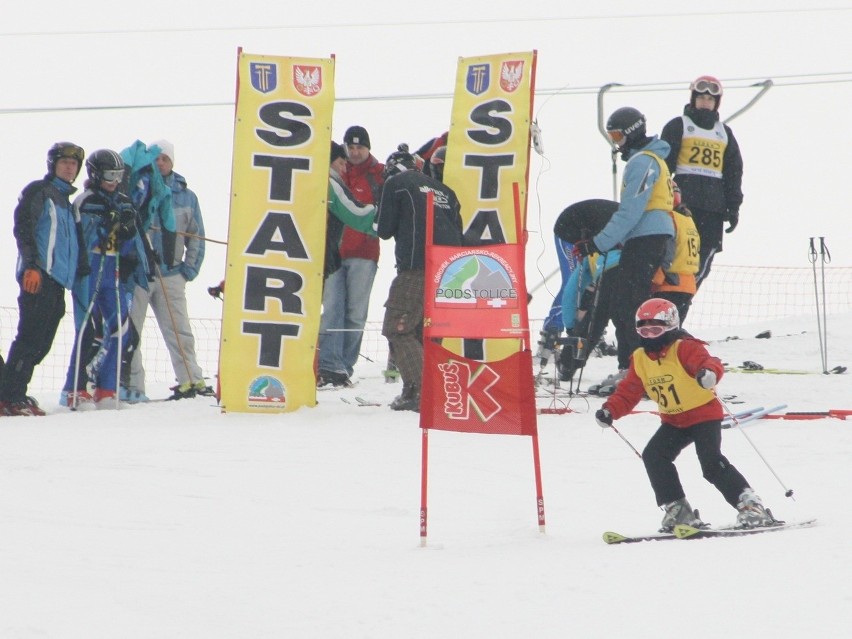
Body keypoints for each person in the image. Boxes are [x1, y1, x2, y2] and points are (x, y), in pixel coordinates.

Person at [594, 297, 776, 532]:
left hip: (703, 415)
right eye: (644, 330)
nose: (650, 336)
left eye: (656, 330)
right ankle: (678, 509)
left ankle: (752, 506)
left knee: (711, 464)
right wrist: (610, 410)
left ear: (670, 328)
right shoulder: (639, 359)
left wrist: (708, 373)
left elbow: (710, 362)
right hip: (674, 421)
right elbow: (628, 392)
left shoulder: (685, 347)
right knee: (654, 456)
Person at [575, 107, 675, 394]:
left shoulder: (643, 162)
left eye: (618, 136)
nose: (616, 143)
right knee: (627, 304)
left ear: (631, 133)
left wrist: (598, 243)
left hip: (648, 238)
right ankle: (632, 368)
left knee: (627, 306)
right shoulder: (650, 159)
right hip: (646, 237)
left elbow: (630, 211)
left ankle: (636, 372)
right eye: (612, 137)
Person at [0, 142, 88, 416]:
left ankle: (12, 391)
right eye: (64, 162)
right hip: (38, 276)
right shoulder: (39, 191)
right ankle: (11, 397)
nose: (69, 167)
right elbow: (23, 228)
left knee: (42, 342)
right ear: (53, 165)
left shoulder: (68, 203)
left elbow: (74, 245)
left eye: (73, 164)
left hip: (58, 281)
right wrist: (31, 266)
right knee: (30, 337)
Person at [375, 144, 464, 411]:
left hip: (415, 268)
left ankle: (423, 391)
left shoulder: (397, 183)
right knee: (428, 333)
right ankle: (414, 390)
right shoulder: (446, 191)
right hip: (449, 272)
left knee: (397, 328)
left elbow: (384, 229)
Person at [59, 149, 150, 407]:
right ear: (96, 174)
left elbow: (131, 244)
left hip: (114, 269)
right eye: (110, 175)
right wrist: (103, 225)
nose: (114, 180)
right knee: (87, 330)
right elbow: (78, 238)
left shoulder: (123, 200)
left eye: (119, 175)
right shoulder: (85, 201)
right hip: (89, 270)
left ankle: (107, 389)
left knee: (121, 331)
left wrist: (128, 230)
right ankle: (73, 389)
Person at [127, 140, 211, 401]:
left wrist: (189, 270)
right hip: (139, 274)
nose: (159, 163)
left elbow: (196, 235)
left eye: (164, 158)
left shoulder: (186, 195)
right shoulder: (137, 189)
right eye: (155, 159)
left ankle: (191, 380)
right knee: (132, 330)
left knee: (179, 329)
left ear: (172, 161)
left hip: (171, 273)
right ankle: (133, 386)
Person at [660, 75, 744, 291]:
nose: (705, 103)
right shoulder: (678, 126)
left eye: (710, 99)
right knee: (678, 259)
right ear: (693, 99)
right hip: (683, 204)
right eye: (701, 98)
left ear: (717, 103)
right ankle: (665, 304)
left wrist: (733, 207)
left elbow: (734, 172)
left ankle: (678, 307)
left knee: (701, 265)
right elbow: (663, 167)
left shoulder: (724, 133)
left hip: (713, 209)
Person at [317, 126, 384, 387]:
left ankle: (343, 366)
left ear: (368, 148)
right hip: (334, 255)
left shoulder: (378, 175)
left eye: (360, 147)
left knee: (355, 313)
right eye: (350, 149)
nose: (354, 154)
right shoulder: (332, 178)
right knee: (332, 308)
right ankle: (328, 365)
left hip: (364, 254)